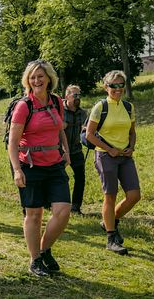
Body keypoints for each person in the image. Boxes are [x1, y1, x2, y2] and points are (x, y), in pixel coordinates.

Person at [7, 60, 71, 277]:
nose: (37, 81)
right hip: (30, 165)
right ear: (28, 80)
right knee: (34, 215)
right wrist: (17, 169)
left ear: (49, 78)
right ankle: (35, 260)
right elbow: (13, 142)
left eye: (41, 76)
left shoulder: (56, 101)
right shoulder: (24, 106)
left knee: (63, 211)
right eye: (33, 77)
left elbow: (59, 127)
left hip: (55, 164)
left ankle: (44, 250)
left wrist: (66, 150)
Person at [85, 70, 140, 256]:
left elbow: (132, 132)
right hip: (105, 156)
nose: (117, 89)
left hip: (125, 157)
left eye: (120, 85)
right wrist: (109, 149)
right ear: (105, 87)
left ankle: (109, 221)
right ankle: (111, 237)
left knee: (134, 195)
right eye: (113, 85)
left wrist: (131, 147)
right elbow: (89, 135)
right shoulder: (100, 107)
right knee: (110, 196)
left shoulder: (128, 107)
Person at [62, 85, 88, 215]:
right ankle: (51, 203)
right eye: (74, 95)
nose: (78, 98)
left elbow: (87, 128)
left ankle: (76, 207)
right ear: (67, 96)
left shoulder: (82, 113)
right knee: (58, 178)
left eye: (79, 95)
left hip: (76, 150)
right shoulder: (59, 110)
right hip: (59, 151)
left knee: (80, 178)